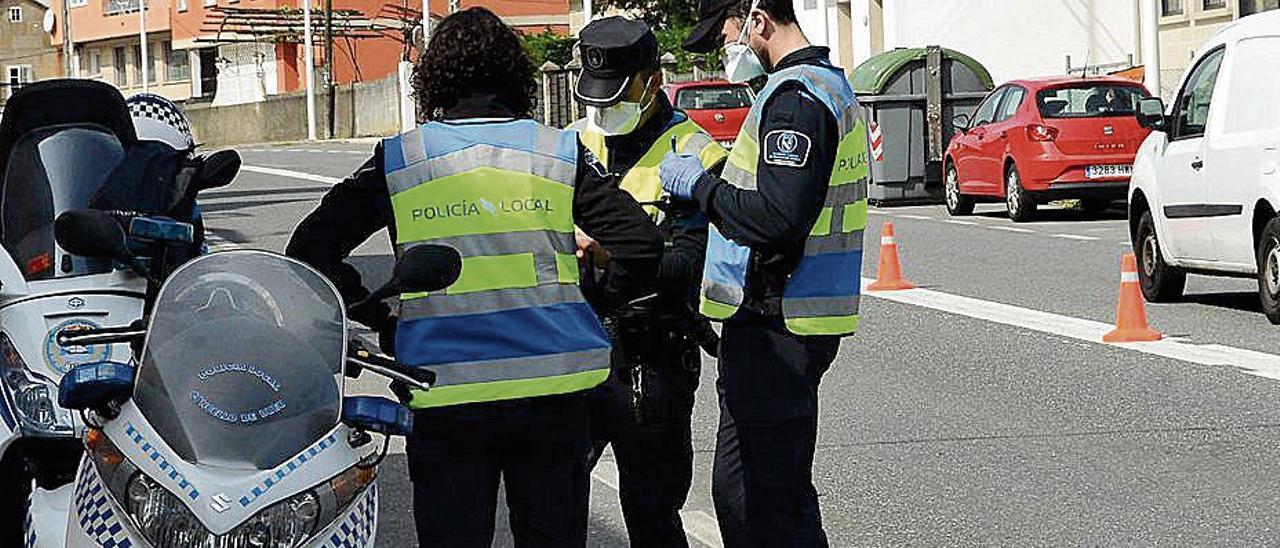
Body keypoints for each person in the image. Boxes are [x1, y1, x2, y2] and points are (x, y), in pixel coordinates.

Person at [285, 8, 663, 547]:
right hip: (553, 390)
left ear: (436, 78)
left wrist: (382, 316)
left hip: (445, 390)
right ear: (515, 74)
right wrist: (591, 303)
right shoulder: (555, 150)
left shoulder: (401, 158)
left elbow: (309, 250)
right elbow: (641, 244)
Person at [661, 0, 870, 546]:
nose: (729, 50)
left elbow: (779, 217)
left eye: (729, 34)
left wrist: (700, 188)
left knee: (771, 500)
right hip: (777, 316)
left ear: (758, 19)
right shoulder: (819, 86)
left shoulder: (796, 99)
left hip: (781, 320)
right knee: (742, 490)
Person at [569, 16, 727, 548]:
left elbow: (694, 267)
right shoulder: (572, 143)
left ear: (652, 81)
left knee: (651, 511)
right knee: (555, 507)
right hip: (575, 349)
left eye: (617, 94)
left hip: (652, 356)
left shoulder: (695, 152)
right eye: (595, 96)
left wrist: (611, 252)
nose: (603, 108)